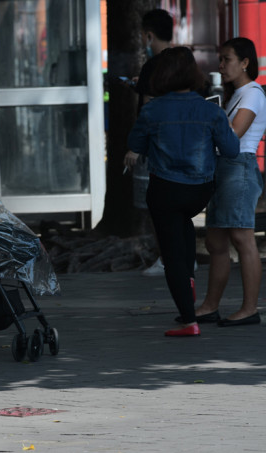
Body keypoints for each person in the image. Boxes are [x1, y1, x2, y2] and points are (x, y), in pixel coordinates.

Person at [125, 47, 240, 337]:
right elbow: (231, 149)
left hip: (165, 188)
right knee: (185, 228)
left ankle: (189, 320)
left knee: (172, 255)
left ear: (163, 75)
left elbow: (136, 142)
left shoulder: (152, 110)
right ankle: (188, 282)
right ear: (193, 73)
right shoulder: (210, 110)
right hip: (200, 190)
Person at [194, 37, 266, 327]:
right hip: (224, 169)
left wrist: (209, 119)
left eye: (226, 59)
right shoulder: (237, 93)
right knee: (216, 241)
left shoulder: (252, 94)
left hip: (240, 168)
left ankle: (249, 309)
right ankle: (211, 305)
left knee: (241, 238)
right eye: (220, 59)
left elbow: (233, 134)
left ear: (245, 63)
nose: (220, 66)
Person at [135, 9, 174, 277]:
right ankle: (182, 257)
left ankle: (167, 258)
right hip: (181, 145)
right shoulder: (182, 62)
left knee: (159, 205)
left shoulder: (152, 66)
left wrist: (137, 144)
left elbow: (148, 108)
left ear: (149, 35)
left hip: (158, 147)